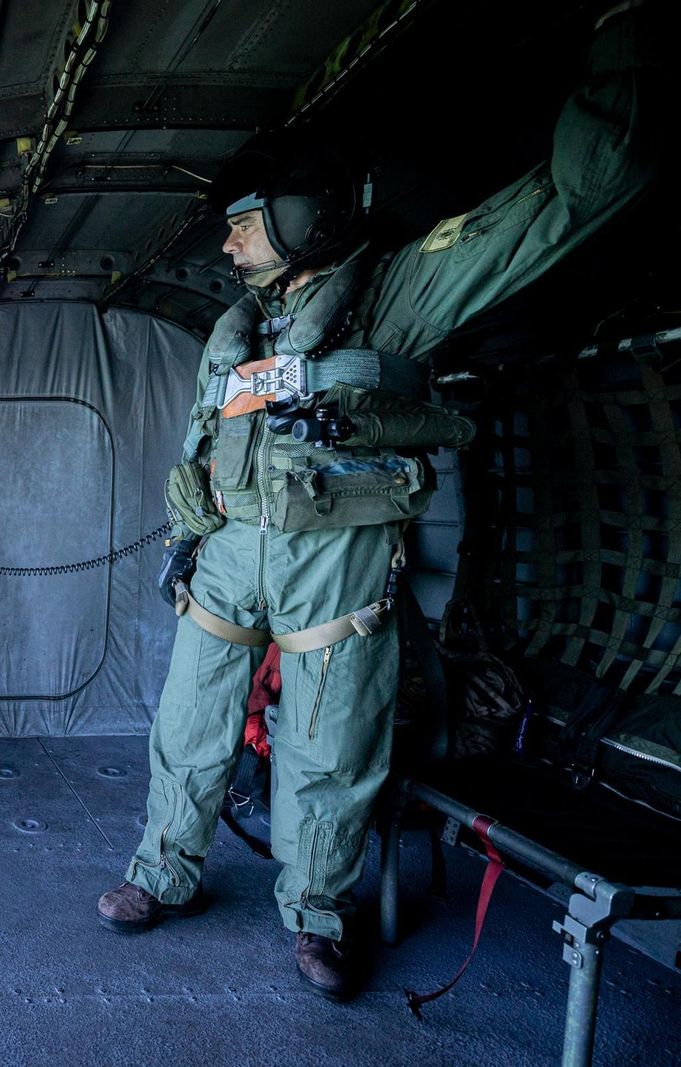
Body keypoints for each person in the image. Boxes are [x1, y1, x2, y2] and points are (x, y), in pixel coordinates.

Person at [97, 1, 657, 1001]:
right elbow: (204, 434)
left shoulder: (396, 297)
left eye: (239, 224)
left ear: (302, 217)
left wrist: (619, 33)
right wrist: (186, 490)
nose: (223, 247)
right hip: (225, 555)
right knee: (186, 723)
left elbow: (580, 194)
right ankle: (162, 868)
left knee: (330, 745)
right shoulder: (239, 329)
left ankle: (315, 911)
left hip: (334, 563)